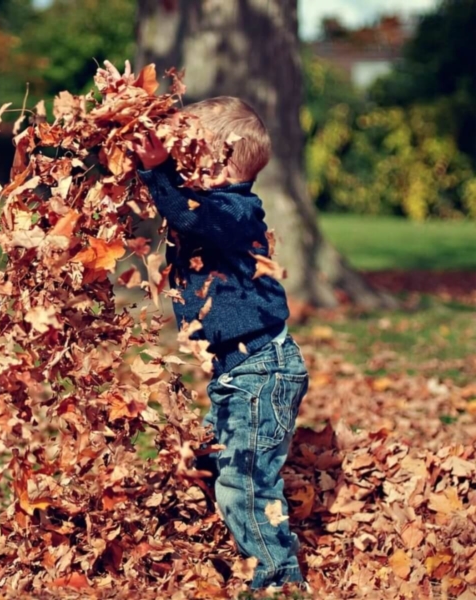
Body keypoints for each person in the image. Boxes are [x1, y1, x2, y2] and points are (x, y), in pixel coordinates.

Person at [134, 96, 310, 592]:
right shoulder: (212, 207)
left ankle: (279, 578)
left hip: (261, 371)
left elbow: (189, 217)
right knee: (211, 457)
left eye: (188, 155)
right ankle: (229, 539)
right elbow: (180, 209)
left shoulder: (235, 211)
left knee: (247, 484)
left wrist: (157, 173)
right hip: (239, 373)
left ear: (217, 161)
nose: (178, 164)